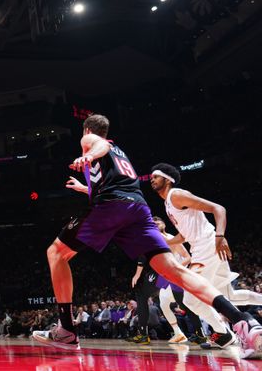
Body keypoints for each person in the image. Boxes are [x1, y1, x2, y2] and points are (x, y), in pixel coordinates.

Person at [32, 114, 262, 359]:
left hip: (113, 205)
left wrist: (88, 154)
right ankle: (244, 321)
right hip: (138, 209)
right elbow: (115, 178)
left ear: (88, 130)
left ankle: (66, 330)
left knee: (56, 252)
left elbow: (99, 145)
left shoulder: (93, 140)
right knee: (176, 272)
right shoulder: (119, 154)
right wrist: (85, 188)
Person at [151, 163, 262, 349]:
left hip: (207, 247)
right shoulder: (168, 204)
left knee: (191, 299)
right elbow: (183, 236)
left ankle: (227, 333)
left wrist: (220, 236)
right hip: (203, 248)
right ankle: (232, 330)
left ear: (167, 179)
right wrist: (161, 242)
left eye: (156, 176)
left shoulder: (176, 195)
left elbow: (219, 209)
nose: (152, 179)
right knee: (229, 296)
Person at [151, 216, 208, 344]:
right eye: (153, 222)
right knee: (164, 304)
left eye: (158, 221)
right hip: (166, 276)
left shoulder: (171, 238)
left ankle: (204, 331)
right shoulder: (156, 241)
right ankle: (179, 333)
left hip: (176, 274)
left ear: (164, 224)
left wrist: (177, 269)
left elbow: (187, 257)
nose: (155, 223)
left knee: (187, 304)